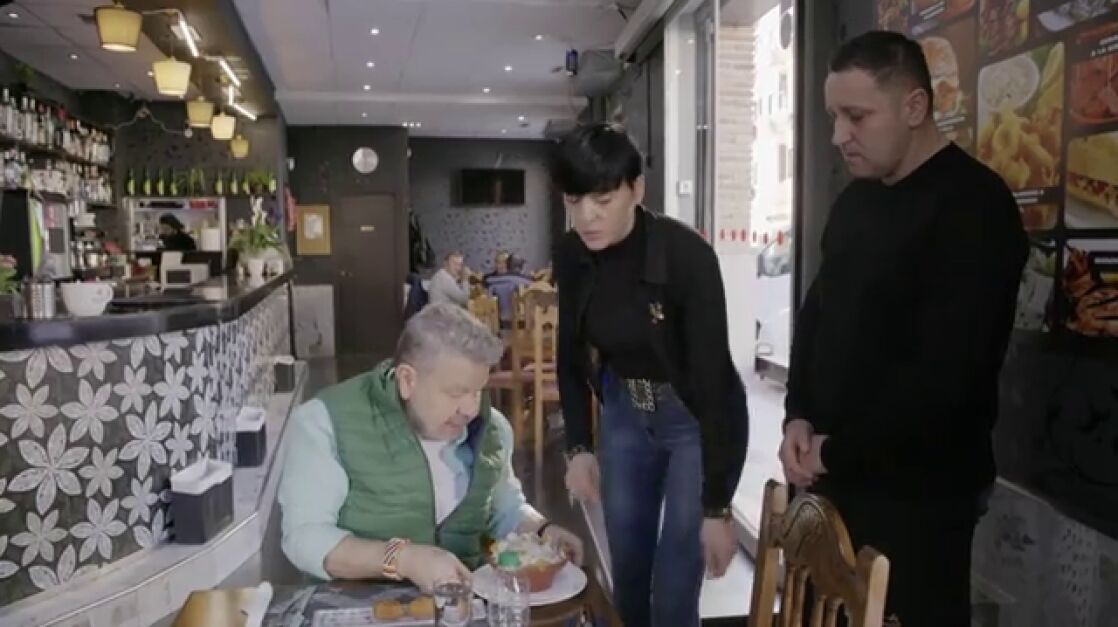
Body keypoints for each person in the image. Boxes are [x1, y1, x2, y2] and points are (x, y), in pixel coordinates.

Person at [780, 31, 1028, 627]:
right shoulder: (855, 201)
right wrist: (797, 415)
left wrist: (834, 451)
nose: (839, 135)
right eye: (834, 116)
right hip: (830, 478)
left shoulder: (975, 207)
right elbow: (817, 315)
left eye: (856, 116)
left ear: (914, 106)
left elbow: (947, 377)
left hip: (920, 497)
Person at [553, 123, 749, 627]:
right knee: (628, 571)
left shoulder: (686, 256)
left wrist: (718, 507)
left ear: (636, 189)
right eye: (574, 200)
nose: (587, 216)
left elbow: (715, 384)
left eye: (603, 199)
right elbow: (570, 353)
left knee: (676, 584)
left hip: (692, 418)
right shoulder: (573, 254)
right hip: (623, 410)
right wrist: (578, 447)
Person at [278, 304, 583, 592]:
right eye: (456, 393)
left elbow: (505, 508)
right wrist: (403, 559)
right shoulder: (326, 421)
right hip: (357, 608)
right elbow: (305, 538)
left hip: (463, 607)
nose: (470, 409)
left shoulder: (492, 428)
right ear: (407, 380)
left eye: (478, 391)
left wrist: (542, 530)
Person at [486, 255, 534, 326]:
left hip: (501, 322)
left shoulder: (492, 284)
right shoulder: (529, 283)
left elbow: (489, 306)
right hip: (527, 322)